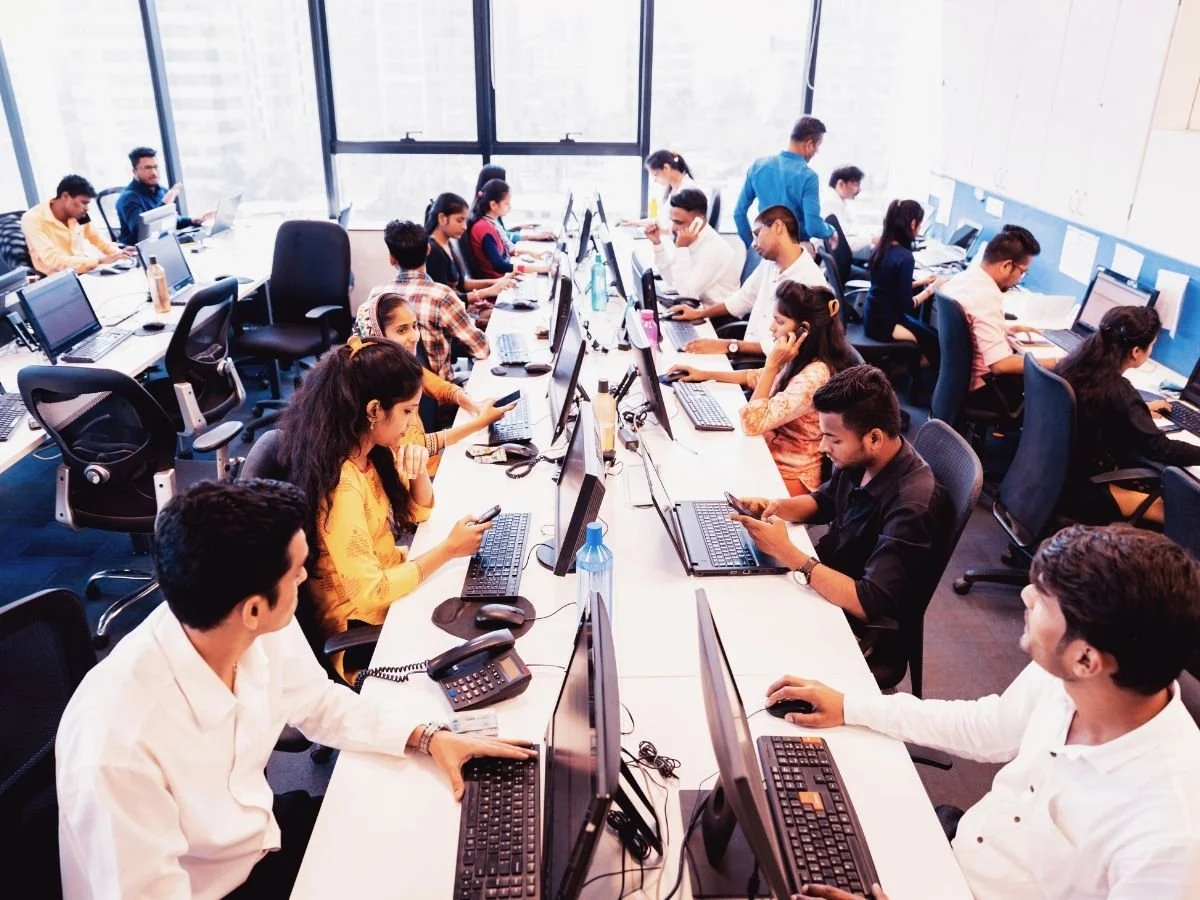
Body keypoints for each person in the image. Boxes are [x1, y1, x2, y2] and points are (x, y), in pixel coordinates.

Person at [55, 477, 536, 899]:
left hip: (259, 837)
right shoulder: (116, 742)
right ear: (252, 608)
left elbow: (320, 704)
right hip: (210, 885)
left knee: (431, 838)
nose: (307, 578)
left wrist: (430, 737)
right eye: (299, 571)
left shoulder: (244, 622)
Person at [767, 523, 1200, 900]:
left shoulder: (1171, 835)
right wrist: (852, 706)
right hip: (956, 859)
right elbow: (989, 727)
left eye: (1045, 599)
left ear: (1086, 660)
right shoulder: (1070, 677)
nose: (1026, 595)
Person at [275, 338, 494, 681]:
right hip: (363, 629)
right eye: (407, 410)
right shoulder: (342, 485)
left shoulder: (368, 449)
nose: (412, 421)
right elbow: (372, 593)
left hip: (392, 586)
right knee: (479, 643)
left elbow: (419, 514)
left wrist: (419, 469)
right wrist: (449, 549)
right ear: (374, 410)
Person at [730, 365, 947, 672]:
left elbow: (868, 602)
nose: (823, 447)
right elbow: (824, 501)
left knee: (741, 629)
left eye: (833, 439)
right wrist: (774, 506)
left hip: (849, 620)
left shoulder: (912, 504)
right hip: (827, 578)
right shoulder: (866, 455)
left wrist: (789, 554)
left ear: (873, 438)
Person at [669, 282, 856, 495]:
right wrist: (705, 375)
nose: (771, 328)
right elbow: (756, 377)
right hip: (767, 453)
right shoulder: (802, 356)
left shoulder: (815, 375)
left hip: (789, 474)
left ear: (804, 330)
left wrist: (772, 365)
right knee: (703, 459)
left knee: (706, 478)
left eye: (779, 321)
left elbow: (752, 422)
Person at [1056, 306, 1200, 524]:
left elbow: (1104, 408)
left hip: (1054, 476)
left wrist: (1138, 410)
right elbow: (1160, 449)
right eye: (1151, 346)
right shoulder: (1118, 392)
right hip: (1084, 490)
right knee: (1184, 512)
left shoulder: (1076, 365)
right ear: (1135, 352)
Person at [355, 290, 517, 475]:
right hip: (418, 476)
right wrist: (480, 422)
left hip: (429, 465)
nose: (415, 336)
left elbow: (443, 389)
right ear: (377, 335)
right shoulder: (377, 385)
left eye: (415, 326)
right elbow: (415, 447)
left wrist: (474, 405)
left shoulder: (404, 367)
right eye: (402, 330)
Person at [668, 205, 828, 357]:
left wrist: (728, 345)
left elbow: (790, 345)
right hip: (745, 353)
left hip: (768, 366)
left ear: (778, 226)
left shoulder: (811, 281)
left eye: (757, 234)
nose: (753, 244)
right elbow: (742, 299)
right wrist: (699, 313)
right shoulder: (770, 263)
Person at [939, 224, 1055, 413]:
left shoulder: (964, 278)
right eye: (1022, 272)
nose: (1020, 279)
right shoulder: (987, 295)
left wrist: (1005, 330)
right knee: (1051, 387)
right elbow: (1001, 365)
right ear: (1006, 266)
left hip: (954, 385)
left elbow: (967, 331)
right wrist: (1058, 362)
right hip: (984, 389)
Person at [367, 219, 489, 382]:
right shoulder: (442, 295)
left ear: (392, 259)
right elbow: (481, 350)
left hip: (393, 398)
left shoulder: (376, 296)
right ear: (428, 249)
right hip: (440, 397)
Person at [733, 116, 836, 249]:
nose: (817, 151)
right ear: (809, 144)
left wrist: (753, 243)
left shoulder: (758, 166)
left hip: (765, 247)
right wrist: (831, 231)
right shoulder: (808, 177)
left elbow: (739, 213)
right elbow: (813, 227)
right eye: (818, 146)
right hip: (792, 250)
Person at [863, 199, 942, 369]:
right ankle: (908, 375)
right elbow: (907, 304)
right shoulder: (905, 257)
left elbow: (889, 286)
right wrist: (932, 289)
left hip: (872, 316)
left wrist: (922, 282)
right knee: (935, 343)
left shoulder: (880, 247)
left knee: (930, 335)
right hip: (887, 324)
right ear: (913, 223)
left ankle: (902, 369)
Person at [645, 188, 741, 308]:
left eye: (679, 222)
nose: (673, 228)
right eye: (672, 221)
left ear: (698, 221)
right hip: (698, 309)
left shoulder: (714, 249)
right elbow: (672, 280)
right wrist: (657, 244)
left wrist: (681, 249)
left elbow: (686, 293)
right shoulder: (690, 238)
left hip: (717, 319)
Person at [20, 175, 134, 275]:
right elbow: (52, 259)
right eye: (83, 202)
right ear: (65, 196)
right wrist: (99, 261)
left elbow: (97, 239)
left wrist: (120, 254)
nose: (87, 208)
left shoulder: (79, 215)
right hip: (57, 279)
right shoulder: (33, 219)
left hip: (85, 271)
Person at [424, 192, 517, 307]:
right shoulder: (433, 251)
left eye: (465, 221)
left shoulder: (447, 244)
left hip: (459, 308)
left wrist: (498, 282)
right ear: (442, 218)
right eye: (459, 220)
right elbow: (444, 300)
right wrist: (488, 291)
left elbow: (463, 285)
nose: (464, 226)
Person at [115, 146, 212, 246]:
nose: (154, 172)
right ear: (134, 171)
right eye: (148, 168)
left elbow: (170, 220)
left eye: (155, 167)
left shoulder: (161, 190)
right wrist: (164, 205)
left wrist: (193, 220)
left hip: (162, 244)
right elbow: (142, 234)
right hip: (138, 252)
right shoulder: (127, 198)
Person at [466, 179, 552, 280]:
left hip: (503, 278)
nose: (510, 207)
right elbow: (500, 265)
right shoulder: (483, 228)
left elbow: (505, 251)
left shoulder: (491, 223)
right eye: (506, 203)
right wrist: (540, 269)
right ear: (493, 205)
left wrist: (532, 254)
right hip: (498, 284)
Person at [471, 164, 554, 242]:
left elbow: (501, 232)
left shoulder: (482, 208)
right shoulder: (484, 216)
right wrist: (532, 236)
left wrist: (519, 228)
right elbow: (501, 237)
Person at [618, 149, 697, 230]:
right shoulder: (672, 189)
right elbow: (661, 221)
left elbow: (684, 229)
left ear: (666, 168)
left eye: (655, 175)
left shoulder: (688, 190)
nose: (654, 180)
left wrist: (652, 232)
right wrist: (634, 223)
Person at [822, 164, 874, 253]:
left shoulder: (839, 201)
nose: (858, 190)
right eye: (855, 185)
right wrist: (872, 240)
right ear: (841, 184)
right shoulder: (831, 203)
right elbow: (843, 242)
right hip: (837, 255)